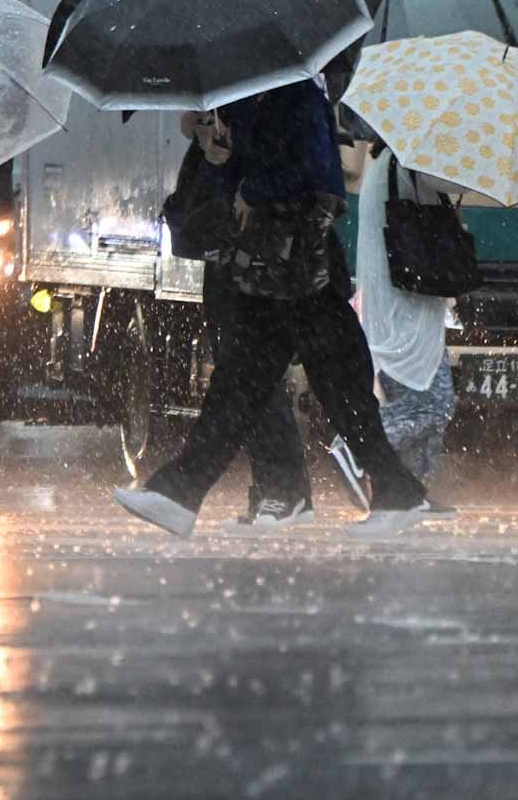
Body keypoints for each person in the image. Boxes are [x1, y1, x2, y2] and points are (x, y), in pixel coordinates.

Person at [115, 80, 448, 539]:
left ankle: (183, 492)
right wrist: (216, 156)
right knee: (255, 385)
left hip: (301, 270)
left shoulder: (297, 98)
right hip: (268, 274)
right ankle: (181, 492)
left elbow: (321, 176)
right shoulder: (247, 102)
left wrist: (255, 190)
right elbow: (231, 192)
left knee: (310, 387)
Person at [176, 111, 317, 532]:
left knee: (258, 381)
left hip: (258, 264)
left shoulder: (276, 111)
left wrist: (234, 157)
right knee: (244, 381)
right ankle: (268, 491)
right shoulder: (224, 113)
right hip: (226, 268)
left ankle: (287, 491)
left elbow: (284, 183)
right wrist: (206, 141)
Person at [355, 150, 457, 481]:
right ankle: (356, 448)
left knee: (426, 407)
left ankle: (409, 492)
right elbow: (449, 178)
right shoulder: (407, 163)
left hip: (410, 304)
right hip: (404, 307)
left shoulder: (387, 162)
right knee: (433, 405)